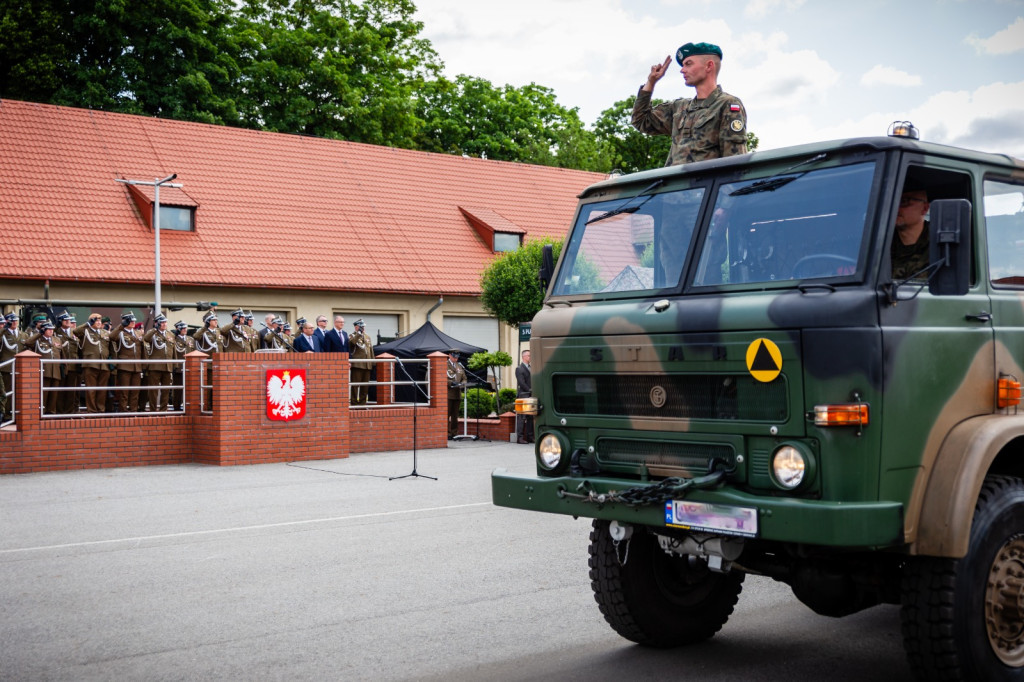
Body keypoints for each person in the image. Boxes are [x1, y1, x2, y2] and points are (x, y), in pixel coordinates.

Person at [632, 42, 747, 166]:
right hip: (674, 178)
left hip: (706, 178)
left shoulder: (727, 105)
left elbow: (734, 161)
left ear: (709, 66)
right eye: (683, 65)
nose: (682, 70)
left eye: (688, 64)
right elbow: (641, 120)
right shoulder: (680, 107)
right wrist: (651, 82)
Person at [74, 313, 112, 413]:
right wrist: (87, 324)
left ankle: (100, 410)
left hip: (104, 364)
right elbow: (75, 331)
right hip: (90, 364)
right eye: (96, 320)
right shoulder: (85, 331)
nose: (99, 322)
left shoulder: (105, 332)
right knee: (91, 389)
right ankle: (92, 411)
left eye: (100, 320)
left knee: (102, 390)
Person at [892, 188, 931, 280]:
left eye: (904, 201)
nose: (895, 208)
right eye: (892, 202)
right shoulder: (880, 242)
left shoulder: (941, 244)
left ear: (924, 208)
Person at [25, 321, 62, 414]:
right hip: (44, 371)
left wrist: (63, 369)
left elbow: (62, 354)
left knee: (54, 394)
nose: (51, 331)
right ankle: (42, 412)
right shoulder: (38, 340)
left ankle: (51, 412)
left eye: (52, 329)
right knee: (43, 394)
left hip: (56, 370)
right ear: (43, 330)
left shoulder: (57, 339)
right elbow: (28, 342)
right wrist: (39, 334)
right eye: (48, 329)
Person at [110, 313, 144, 412]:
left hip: (137, 366)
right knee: (124, 391)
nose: (133, 322)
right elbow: (111, 337)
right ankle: (123, 410)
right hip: (125, 366)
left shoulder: (138, 333)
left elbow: (143, 348)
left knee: (135, 391)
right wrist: (122, 325)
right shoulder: (120, 332)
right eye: (130, 321)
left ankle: (133, 410)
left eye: (134, 321)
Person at [144, 314, 175, 412]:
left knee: (166, 390)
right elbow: (146, 339)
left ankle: (163, 410)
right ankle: (153, 410)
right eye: (162, 322)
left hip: (167, 366)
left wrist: (174, 365)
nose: (164, 324)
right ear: (157, 323)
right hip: (155, 366)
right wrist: (155, 329)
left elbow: (172, 350)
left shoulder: (170, 334)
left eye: (165, 322)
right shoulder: (152, 333)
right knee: (153, 391)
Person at [56, 311, 82, 414]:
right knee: (60, 390)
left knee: (72, 390)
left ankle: (69, 411)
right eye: (65, 320)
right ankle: (60, 411)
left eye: (69, 320)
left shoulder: (74, 332)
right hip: (62, 366)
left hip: (73, 365)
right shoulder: (55, 332)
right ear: (60, 321)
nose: (68, 321)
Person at [170, 320, 194, 410]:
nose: (185, 330)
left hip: (189, 367)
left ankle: (187, 406)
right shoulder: (174, 339)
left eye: (185, 328)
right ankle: (176, 406)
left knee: (189, 388)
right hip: (179, 368)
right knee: (178, 389)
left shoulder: (190, 339)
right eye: (183, 328)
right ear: (178, 329)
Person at [349, 319, 374, 405]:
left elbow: (370, 350)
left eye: (363, 326)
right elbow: (352, 343)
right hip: (358, 365)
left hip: (367, 365)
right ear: (356, 327)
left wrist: (372, 362)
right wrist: (358, 334)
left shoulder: (367, 337)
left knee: (365, 386)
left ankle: (362, 403)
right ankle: (354, 403)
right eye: (361, 327)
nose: (363, 328)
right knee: (355, 385)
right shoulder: (352, 336)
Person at [446, 349, 467, 439]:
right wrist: (451, 383)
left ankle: (454, 433)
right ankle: (447, 433)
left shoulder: (459, 366)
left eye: (457, 357)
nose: (456, 358)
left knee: (455, 415)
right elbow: (441, 377)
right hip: (448, 393)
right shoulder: (445, 365)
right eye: (454, 356)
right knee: (447, 414)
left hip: (457, 393)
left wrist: (463, 384)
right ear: (449, 355)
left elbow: (464, 378)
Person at [515, 349, 534, 444]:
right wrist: (530, 390)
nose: (530, 357)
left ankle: (530, 436)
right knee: (522, 417)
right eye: (529, 355)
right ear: (524, 357)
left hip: (531, 396)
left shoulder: (532, 368)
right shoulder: (519, 369)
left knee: (530, 416)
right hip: (523, 395)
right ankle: (520, 438)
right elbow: (522, 383)